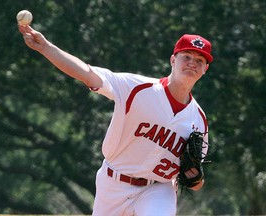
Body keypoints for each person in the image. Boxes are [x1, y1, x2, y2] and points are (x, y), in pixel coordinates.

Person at [18, 24, 213, 216]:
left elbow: (196, 182)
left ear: (205, 69)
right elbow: (87, 74)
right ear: (173, 60)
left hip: (158, 190)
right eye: (186, 57)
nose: (192, 63)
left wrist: (195, 177)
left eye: (199, 60)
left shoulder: (199, 121)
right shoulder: (137, 88)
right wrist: (46, 48)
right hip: (113, 183)